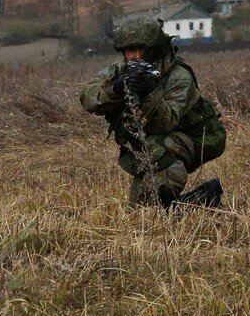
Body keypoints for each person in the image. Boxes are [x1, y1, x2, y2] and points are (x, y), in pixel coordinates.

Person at [80, 16, 225, 208]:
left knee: (157, 150)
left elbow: (166, 122)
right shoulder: (120, 70)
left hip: (197, 139)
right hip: (154, 141)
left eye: (144, 50)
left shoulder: (178, 76)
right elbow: (87, 97)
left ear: (156, 48)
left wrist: (148, 93)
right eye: (131, 50)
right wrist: (115, 89)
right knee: (142, 212)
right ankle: (203, 198)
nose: (138, 56)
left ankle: (167, 201)